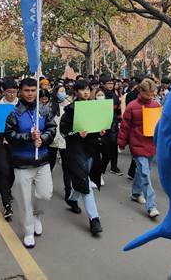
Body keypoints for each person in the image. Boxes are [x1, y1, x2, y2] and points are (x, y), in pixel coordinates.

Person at [4, 78, 56, 248]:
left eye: (33, 90)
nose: (30, 94)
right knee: (24, 199)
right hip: (22, 163)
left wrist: (43, 139)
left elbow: (52, 129)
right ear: (20, 91)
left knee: (46, 194)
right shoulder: (14, 114)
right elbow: (10, 136)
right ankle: (28, 231)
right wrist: (28, 137)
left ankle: (36, 215)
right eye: (27, 90)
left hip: (42, 160)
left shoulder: (44, 110)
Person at [60, 80, 104, 235]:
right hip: (75, 150)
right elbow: (64, 131)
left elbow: (98, 125)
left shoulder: (94, 107)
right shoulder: (70, 110)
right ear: (76, 92)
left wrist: (100, 131)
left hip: (91, 149)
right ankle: (94, 219)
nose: (86, 92)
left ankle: (72, 199)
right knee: (85, 182)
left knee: (83, 179)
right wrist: (77, 133)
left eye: (88, 89)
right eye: (82, 89)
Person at [118, 78, 161, 219]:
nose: (150, 96)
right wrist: (121, 143)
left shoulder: (156, 105)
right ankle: (151, 206)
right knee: (145, 173)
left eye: (152, 94)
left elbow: (161, 126)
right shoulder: (132, 106)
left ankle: (136, 193)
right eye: (147, 93)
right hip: (136, 143)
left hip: (151, 143)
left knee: (142, 171)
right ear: (140, 91)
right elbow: (125, 127)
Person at [0, 79, 18, 220]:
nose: (12, 95)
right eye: (9, 92)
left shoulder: (21, 105)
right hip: (0, 143)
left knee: (12, 173)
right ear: (3, 91)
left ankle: (6, 189)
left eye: (14, 92)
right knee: (3, 171)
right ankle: (7, 205)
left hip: (17, 143)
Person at [48, 84, 72, 200]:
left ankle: (68, 191)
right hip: (52, 139)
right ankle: (45, 185)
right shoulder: (50, 106)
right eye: (60, 91)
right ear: (55, 93)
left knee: (67, 167)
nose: (63, 93)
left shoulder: (69, 105)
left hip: (65, 139)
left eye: (64, 91)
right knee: (50, 164)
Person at [100, 75, 122, 176]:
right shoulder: (100, 95)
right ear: (103, 84)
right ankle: (100, 168)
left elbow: (118, 111)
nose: (110, 85)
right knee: (104, 149)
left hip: (113, 124)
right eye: (108, 83)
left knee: (113, 146)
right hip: (101, 125)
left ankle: (114, 166)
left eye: (112, 83)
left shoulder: (115, 96)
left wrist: (118, 122)